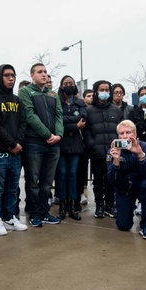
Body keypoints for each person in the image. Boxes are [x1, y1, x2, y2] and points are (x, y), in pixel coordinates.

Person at [19, 62, 63, 227]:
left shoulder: (53, 94)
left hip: (54, 144)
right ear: (32, 75)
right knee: (33, 181)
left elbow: (59, 115)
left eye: (45, 72)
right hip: (34, 143)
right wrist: (47, 134)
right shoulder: (25, 92)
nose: (44, 74)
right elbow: (30, 116)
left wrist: (58, 135)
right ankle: (35, 213)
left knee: (47, 182)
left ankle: (45, 212)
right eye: (40, 72)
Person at [0, 64, 28, 234]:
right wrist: (12, 144)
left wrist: (17, 143)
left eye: (13, 75)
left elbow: (22, 123)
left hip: (15, 153)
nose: (11, 78)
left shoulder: (17, 100)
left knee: (13, 187)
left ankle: (10, 216)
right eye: (6, 75)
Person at [107, 120, 146, 240]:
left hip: (140, 184)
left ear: (134, 134)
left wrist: (140, 154)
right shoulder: (113, 150)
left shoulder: (144, 146)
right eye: (121, 133)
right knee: (123, 226)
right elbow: (112, 180)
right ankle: (127, 212)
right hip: (124, 187)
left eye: (128, 132)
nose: (124, 136)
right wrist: (116, 161)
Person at [84, 80, 125, 218]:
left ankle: (109, 204)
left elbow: (121, 131)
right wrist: (92, 144)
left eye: (107, 90)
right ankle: (99, 205)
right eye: (101, 90)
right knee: (98, 181)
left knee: (110, 180)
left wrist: (118, 148)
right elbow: (86, 131)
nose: (104, 93)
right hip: (96, 153)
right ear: (96, 92)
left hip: (112, 153)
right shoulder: (89, 111)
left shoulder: (116, 110)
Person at [56, 75, 87, 220]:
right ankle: (62, 206)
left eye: (71, 83)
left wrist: (68, 122)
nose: (68, 85)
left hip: (75, 144)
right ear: (61, 85)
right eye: (65, 83)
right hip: (60, 143)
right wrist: (75, 125)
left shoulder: (80, 102)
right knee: (62, 174)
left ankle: (74, 206)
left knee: (73, 174)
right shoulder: (56, 102)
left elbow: (83, 119)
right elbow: (57, 120)